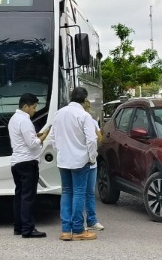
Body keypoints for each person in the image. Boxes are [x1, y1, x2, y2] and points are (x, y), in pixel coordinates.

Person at [49, 87, 98, 241]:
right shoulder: (84, 115)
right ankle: (78, 229)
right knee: (79, 193)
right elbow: (91, 140)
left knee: (66, 192)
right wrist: (92, 157)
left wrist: (61, 151)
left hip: (63, 160)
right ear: (85, 99)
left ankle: (65, 230)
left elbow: (52, 138)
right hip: (80, 160)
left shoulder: (58, 114)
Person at [8, 93, 50, 238]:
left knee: (19, 195)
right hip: (27, 162)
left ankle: (18, 227)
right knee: (28, 197)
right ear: (25, 106)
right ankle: (28, 229)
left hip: (16, 162)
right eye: (34, 107)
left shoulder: (13, 119)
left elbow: (23, 138)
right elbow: (32, 144)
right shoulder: (25, 121)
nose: (35, 110)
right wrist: (43, 137)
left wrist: (36, 135)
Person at [83, 98, 104, 232]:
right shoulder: (78, 119)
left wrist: (96, 132)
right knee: (80, 193)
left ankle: (91, 220)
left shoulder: (92, 121)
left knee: (89, 193)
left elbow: (100, 139)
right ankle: (79, 221)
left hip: (91, 162)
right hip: (81, 162)